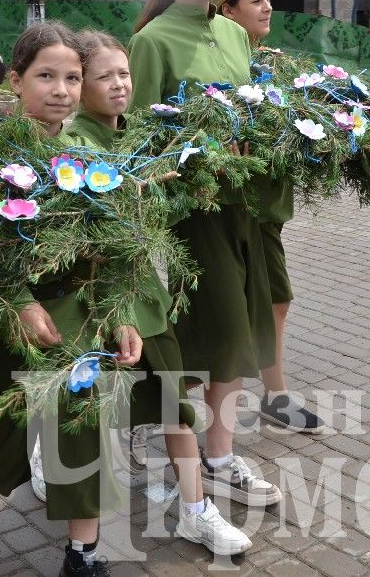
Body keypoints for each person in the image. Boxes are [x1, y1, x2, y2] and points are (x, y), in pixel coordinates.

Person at [65, 29, 252, 556]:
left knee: (175, 407)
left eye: (124, 73)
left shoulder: (140, 136)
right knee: (93, 417)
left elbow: (159, 218)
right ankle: (78, 523)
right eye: (104, 76)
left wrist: (192, 180)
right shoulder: (73, 145)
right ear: (80, 86)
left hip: (146, 298)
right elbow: (101, 226)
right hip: (98, 303)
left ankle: (196, 512)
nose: (120, 84)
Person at [128, 0, 283, 508]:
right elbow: (139, 144)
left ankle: (217, 454)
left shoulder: (232, 35)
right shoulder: (153, 42)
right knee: (207, 335)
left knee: (238, 336)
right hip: (191, 215)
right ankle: (177, 445)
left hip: (243, 206)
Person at [213, 0, 325, 433]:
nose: (268, 7)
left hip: (268, 209)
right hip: (239, 209)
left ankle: (274, 396)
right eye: (255, 0)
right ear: (228, 10)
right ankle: (167, 409)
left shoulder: (273, 65)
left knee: (273, 302)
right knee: (250, 309)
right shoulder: (224, 71)